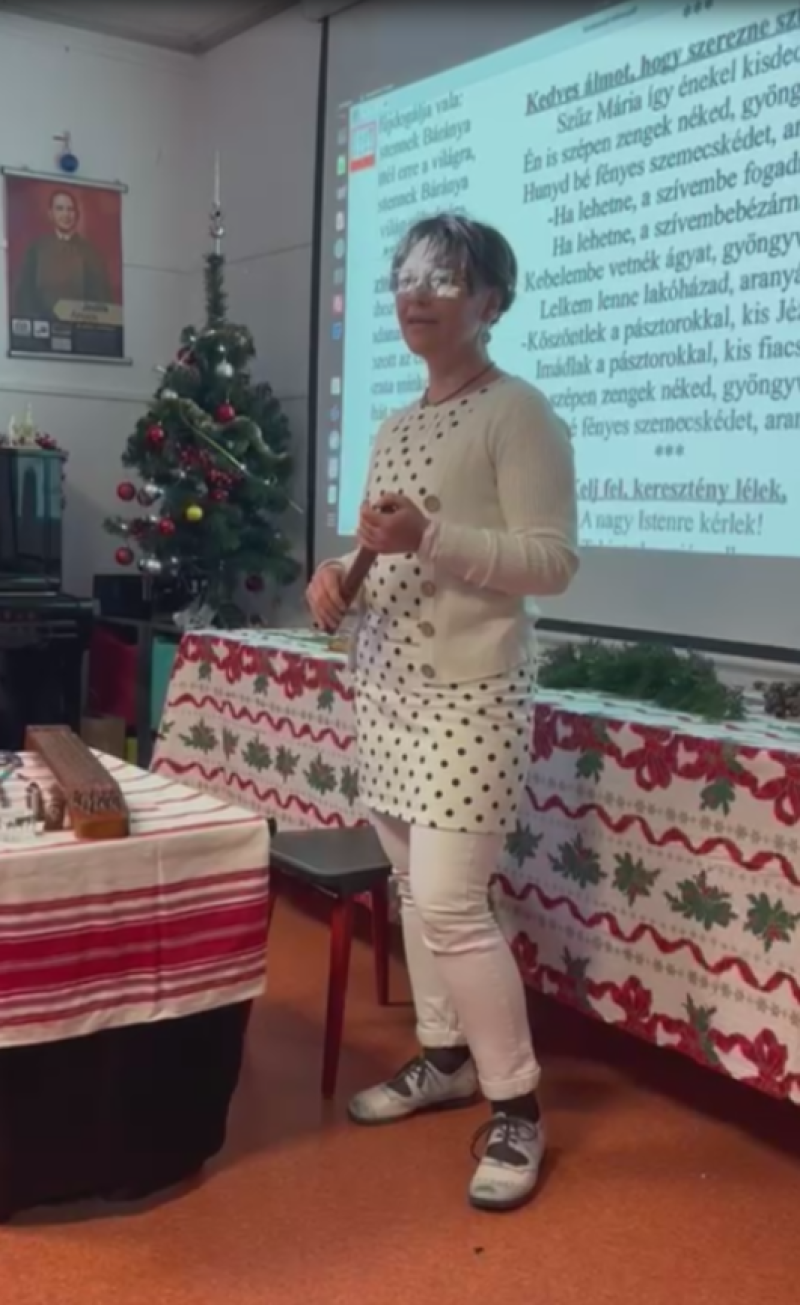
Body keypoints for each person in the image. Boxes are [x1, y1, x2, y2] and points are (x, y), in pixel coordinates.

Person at [306, 213, 578, 1212]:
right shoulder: (393, 425)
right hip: (388, 687)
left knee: (454, 902)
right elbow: (378, 545)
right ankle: (444, 1058)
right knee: (415, 894)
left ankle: (516, 1108)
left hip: (471, 693)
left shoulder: (520, 412)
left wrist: (431, 534)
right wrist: (337, 575)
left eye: (443, 280)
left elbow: (550, 561)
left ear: (490, 302)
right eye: (406, 279)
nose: (415, 296)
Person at [12, 189, 112, 322]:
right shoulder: (36, 250)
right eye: (60, 209)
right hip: (42, 327)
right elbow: (24, 296)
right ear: (50, 214)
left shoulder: (90, 253)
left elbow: (102, 301)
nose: (66, 214)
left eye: (70, 209)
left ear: (76, 214)